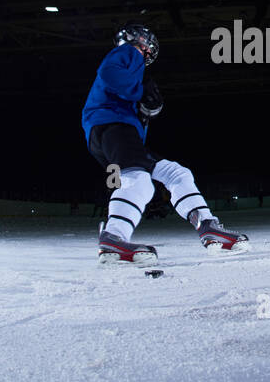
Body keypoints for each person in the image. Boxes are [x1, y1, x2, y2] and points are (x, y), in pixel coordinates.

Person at [82, 23, 249, 264]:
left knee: (177, 173)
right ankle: (114, 237)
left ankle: (207, 225)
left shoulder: (131, 69)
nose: (148, 50)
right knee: (140, 181)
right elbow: (109, 74)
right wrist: (140, 93)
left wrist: (145, 109)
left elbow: (124, 98)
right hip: (112, 126)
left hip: (112, 133)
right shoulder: (130, 52)